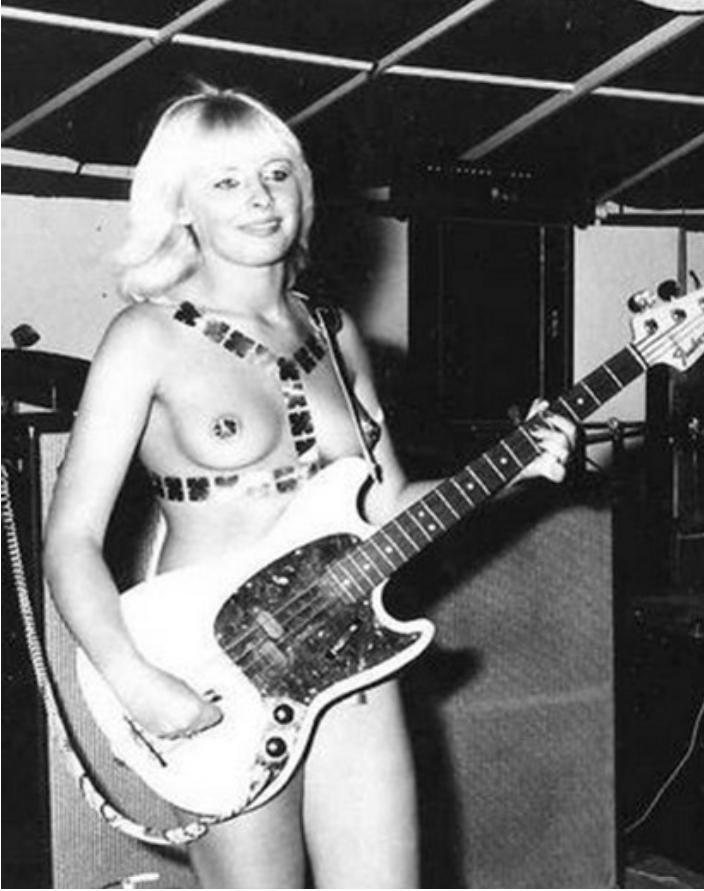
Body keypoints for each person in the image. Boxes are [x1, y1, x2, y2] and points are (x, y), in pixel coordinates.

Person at [42, 86, 575, 888]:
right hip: (216, 670)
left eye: (276, 173)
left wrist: (515, 466)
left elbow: (388, 510)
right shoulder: (145, 338)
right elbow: (71, 539)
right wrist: (133, 677)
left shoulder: (334, 332)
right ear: (179, 204)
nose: (260, 198)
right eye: (226, 181)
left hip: (350, 661)